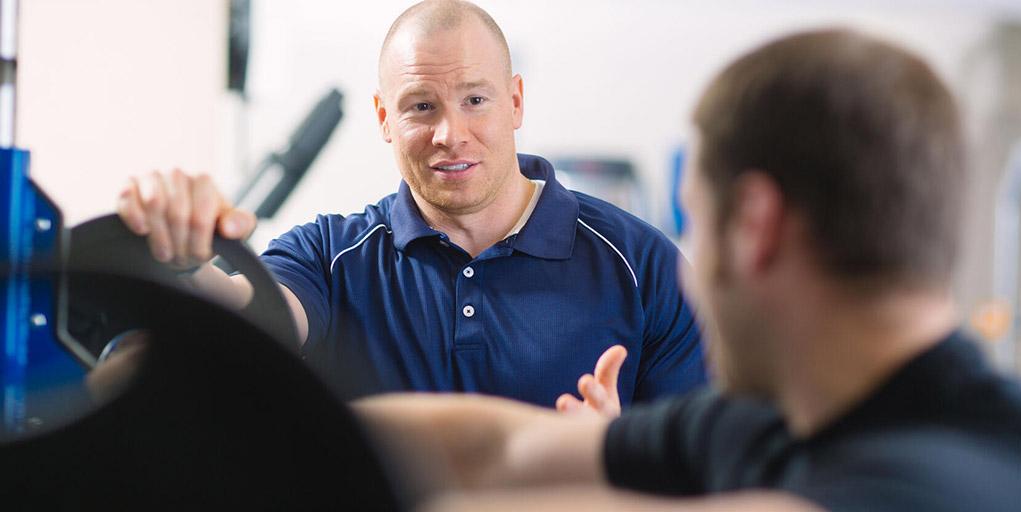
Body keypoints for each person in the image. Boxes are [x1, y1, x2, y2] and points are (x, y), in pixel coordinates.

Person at [353, 29, 1021, 511]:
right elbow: (494, 451)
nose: (688, 271)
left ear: (755, 227)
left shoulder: (944, 482)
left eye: (696, 221)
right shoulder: (783, 423)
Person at [114, 0, 705, 407]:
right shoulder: (328, 255)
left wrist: (614, 460)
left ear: (516, 102)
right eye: (421, 106)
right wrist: (183, 257)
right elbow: (256, 318)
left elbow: (709, 467)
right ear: (384, 119)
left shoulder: (644, 264)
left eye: (475, 99)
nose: (450, 132)